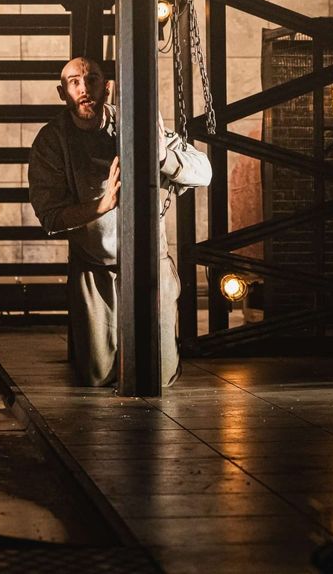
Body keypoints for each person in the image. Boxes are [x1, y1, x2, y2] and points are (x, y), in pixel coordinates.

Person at [28, 57, 212, 388]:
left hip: (149, 262)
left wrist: (162, 157)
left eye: (92, 79)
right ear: (62, 92)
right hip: (95, 266)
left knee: (160, 372)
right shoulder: (52, 141)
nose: (84, 89)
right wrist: (101, 206)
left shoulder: (137, 126)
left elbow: (205, 172)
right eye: (74, 82)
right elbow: (50, 216)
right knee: (98, 374)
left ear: (108, 86)